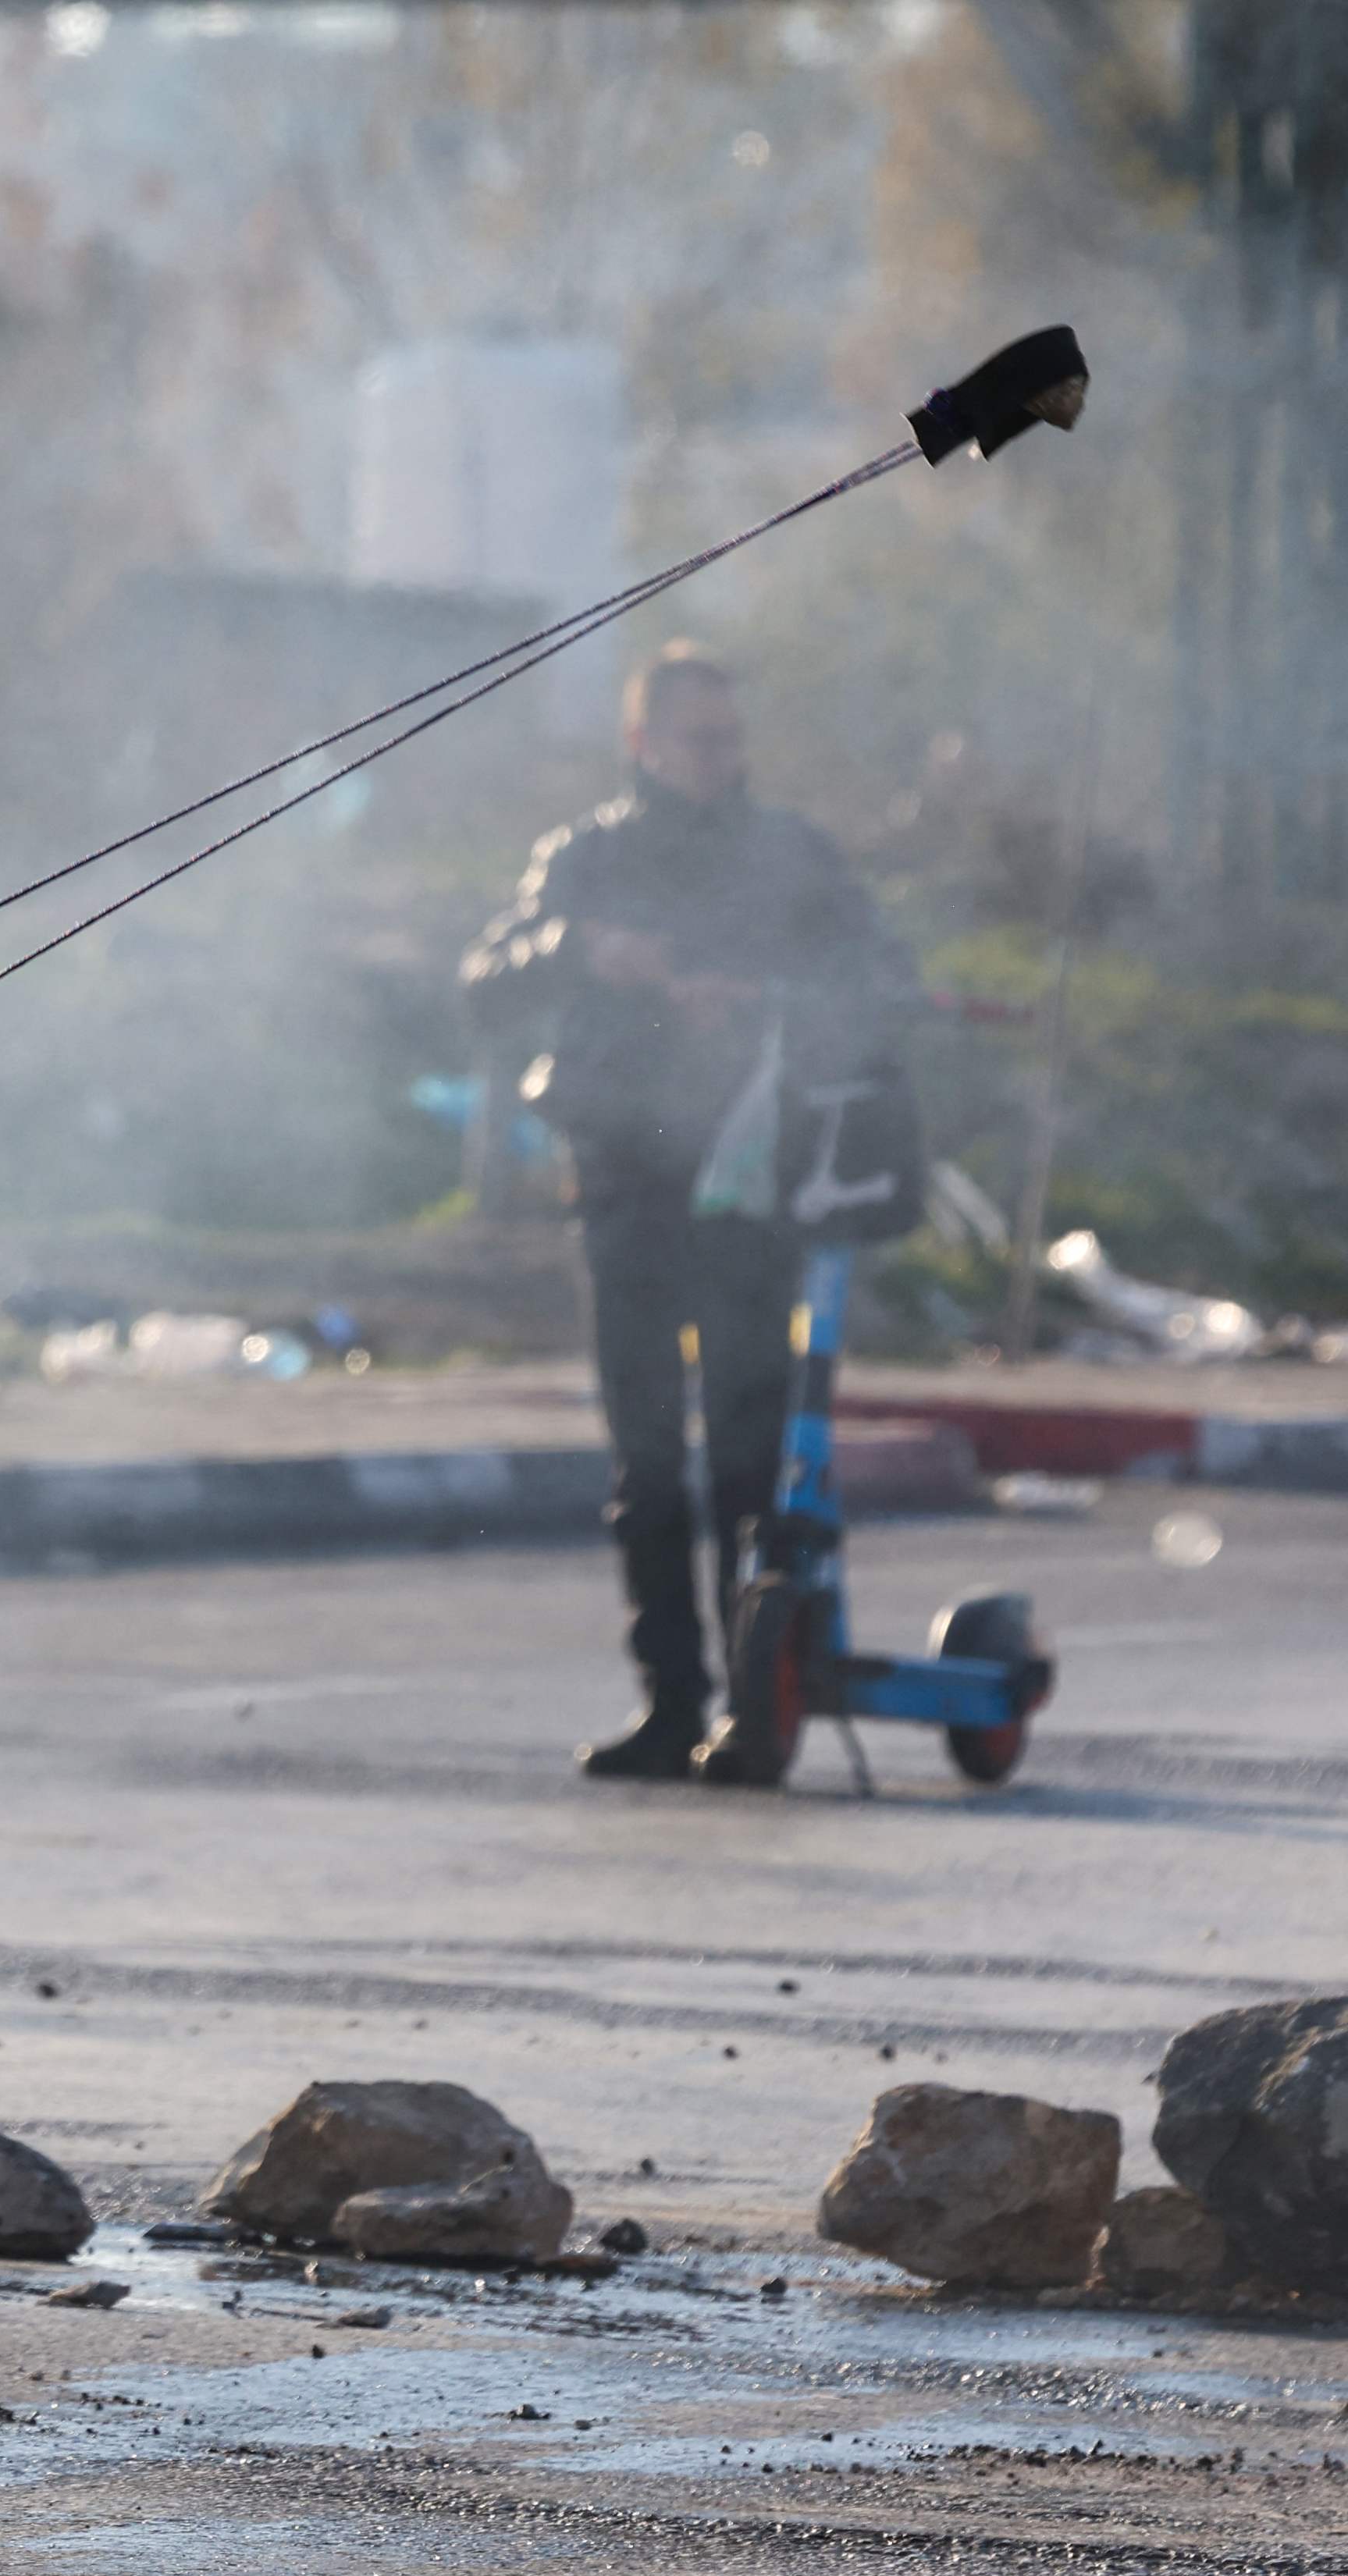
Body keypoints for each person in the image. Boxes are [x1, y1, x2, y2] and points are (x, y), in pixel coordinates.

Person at [464, 645, 910, 1785]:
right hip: (622, 1180)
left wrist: (761, 1004)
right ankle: (670, 1701)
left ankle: (759, 1703)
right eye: (695, 739)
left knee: (749, 1459)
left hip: (751, 1187)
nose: (718, 759)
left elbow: (879, 982)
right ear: (642, 744)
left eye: (730, 737)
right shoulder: (585, 857)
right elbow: (483, 981)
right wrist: (584, 951)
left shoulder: (793, 857)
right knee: (648, 1459)